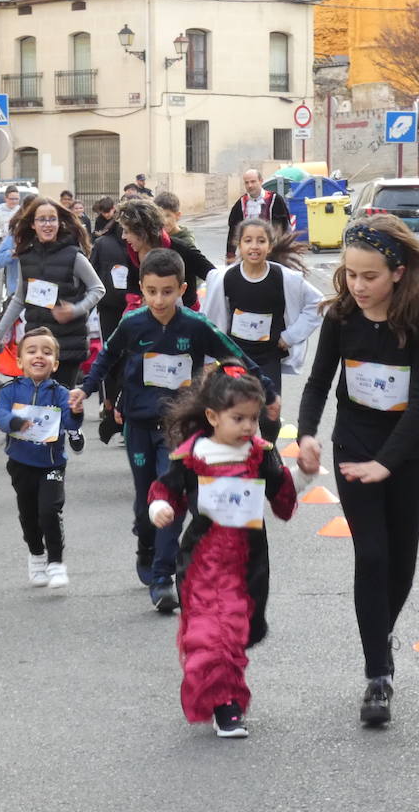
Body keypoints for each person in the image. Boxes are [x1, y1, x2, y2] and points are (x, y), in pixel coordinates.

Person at [295, 216, 419, 728]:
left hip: (404, 453)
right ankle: (377, 675)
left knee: (402, 563)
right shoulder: (341, 317)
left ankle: (379, 631)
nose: (358, 287)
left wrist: (389, 463)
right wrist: (308, 434)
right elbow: (319, 381)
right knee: (373, 555)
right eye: (351, 275)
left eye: (369, 276)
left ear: (398, 273)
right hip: (354, 447)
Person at [69, 248, 280, 611]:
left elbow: (233, 355)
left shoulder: (196, 326)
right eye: (151, 291)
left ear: (182, 289)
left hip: (179, 428)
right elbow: (106, 356)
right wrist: (84, 389)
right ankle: (146, 547)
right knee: (143, 502)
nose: (159, 299)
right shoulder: (133, 323)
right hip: (138, 423)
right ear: (142, 288)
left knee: (170, 497)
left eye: (167, 291)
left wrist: (268, 390)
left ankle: (164, 578)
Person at [148, 359, 297, 738]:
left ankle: (227, 696)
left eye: (253, 418)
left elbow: (283, 503)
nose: (248, 427)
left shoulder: (260, 453)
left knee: (231, 635)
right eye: (238, 419)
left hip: (246, 564)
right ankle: (226, 706)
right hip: (201, 562)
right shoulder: (192, 455)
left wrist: (304, 474)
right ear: (213, 416)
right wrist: (160, 507)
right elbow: (168, 489)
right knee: (207, 635)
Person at [202, 219, 323, 444]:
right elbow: (212, 319)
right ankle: (238, 453)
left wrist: (290, 336)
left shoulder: (283, 277)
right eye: (248, 241)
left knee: (269, 413)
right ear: (238, 244)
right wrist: (210, 358)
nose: (254, 246)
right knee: (234, 411)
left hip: (268, 357)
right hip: (235, 357)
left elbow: (316, 303)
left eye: (261, 241)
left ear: (270, 244)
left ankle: (269, 451)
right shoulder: (225, 278)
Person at [0, 197, 104, 407]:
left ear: (60, 223)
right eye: (42, 220)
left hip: (67, 345)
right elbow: (19, 299)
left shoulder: (73, 255)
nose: (47, 224)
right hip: (36, 343)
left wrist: (75, 310)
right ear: (33, 224)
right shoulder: (26, 256)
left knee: (58, 407)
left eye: (52, 219)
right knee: (35, 404)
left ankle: (69, 434)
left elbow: (98, 289)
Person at [0, 327, 82, 589]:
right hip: (21, 464)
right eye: (31, 351)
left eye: (46, 352)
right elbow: (0, 414)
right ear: (20, 361)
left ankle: (56, 562)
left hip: (52, 463)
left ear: (55, 363)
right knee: (29, 514)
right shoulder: (9, 391)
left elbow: (69, 420)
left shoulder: (61, 393)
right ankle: (36, 555)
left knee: (49, 510)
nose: (38, 356)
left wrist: (75, 413)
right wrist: (14, 422)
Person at [114, 198, 215, 312]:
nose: (123, 236)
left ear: (142, 232)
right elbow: (133, 286)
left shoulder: (183, 250)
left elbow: (213, 275)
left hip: (184, 319)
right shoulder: (133, 252)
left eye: (127, 231)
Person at [86, 198, 132, 444]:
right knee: (113, 358)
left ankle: (119, 412)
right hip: (111, 310)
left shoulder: (139, 245)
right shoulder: (103, 244)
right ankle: (112, 406)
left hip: (129, 309)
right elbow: (92, 274)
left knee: (124, 360)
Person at [226, 169, 291, 261]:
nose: (250, 185)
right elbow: (233, 231)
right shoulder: (240, 204)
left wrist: (284, 252)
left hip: (272, 254)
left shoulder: (275, 200)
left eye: (253, 181)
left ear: (261, 181)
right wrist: (230, 254)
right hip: (249, 254)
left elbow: (284, 228)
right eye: (246, 183)